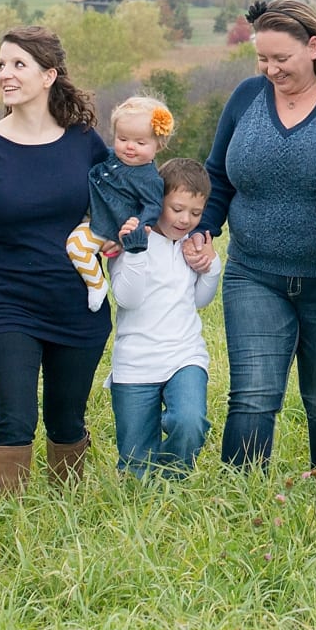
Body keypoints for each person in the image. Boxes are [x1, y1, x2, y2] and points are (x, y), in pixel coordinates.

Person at [194, 0, 316, 476]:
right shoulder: (246, 98)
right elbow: (218, 176)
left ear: (314, 47)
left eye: (282, 59)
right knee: (253, 396)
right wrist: (203, 227)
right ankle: (242, 498)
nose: (271, 69)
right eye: (263, 58)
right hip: (254, 274)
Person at [0, 26, 109, 495]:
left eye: (18, 65)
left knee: (67, 420)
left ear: (49, 75)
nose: (5, 75)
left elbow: (124, 200)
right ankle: (6, 522)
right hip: (9, 303)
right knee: (15, 418)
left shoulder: (85, 142)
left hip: (78, 305)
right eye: (0, 64)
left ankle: (64, 518)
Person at [107, 159, 220, 477]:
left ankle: (173, 483)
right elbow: (127, 298)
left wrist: (210, 267)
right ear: (157, 201)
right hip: (135, 362)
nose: (186, 220)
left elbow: (200, 300)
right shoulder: (129, 239)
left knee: (189, 420)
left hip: (184, 355)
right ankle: (145, 499)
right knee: (134, 464)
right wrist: (136, 251)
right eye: (177, 208)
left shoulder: (194, 246)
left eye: (195, 213)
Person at [69, 96, 176, 312]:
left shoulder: (148, 178)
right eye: (122, 138)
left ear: (159, 144)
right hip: (92, 213)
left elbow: (153, 206)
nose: (129, 147)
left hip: (109, 225)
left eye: (140, 142)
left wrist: (137, 227)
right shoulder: (108, 157)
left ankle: (96, 285)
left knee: (76, 246)